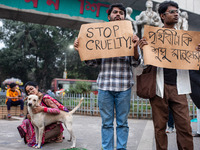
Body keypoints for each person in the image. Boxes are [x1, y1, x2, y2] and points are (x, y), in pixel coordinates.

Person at [74, 3, 140, 150]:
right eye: (115, 12)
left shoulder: (130, 36)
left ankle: (121, 148)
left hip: (124, 87)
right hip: (104, 86)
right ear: (109, 16)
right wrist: (81, 49)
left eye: (121, 13)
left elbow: (136, 62)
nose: (118, 14)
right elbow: (93, 62)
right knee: (106, 123)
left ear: (124, 16)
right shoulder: (100, 37)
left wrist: (135, 47)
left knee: (122, 122)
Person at [138, 1, 200, 149]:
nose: (176, 14)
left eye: (177, 11)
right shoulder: (153, 37)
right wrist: (144, 49)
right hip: (159, 87)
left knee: (185, 127)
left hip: (179, 88)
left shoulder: (186, 39)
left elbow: (193, 63)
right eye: (172, 12)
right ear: (162, 15)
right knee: (160, 128)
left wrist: (197, 52)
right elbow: (144, 63)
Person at [17, 81, 69, 147]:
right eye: (28, 91)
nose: (30, 92)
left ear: (37, 87)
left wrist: (43, 109)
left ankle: (58, 134)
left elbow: (57, 111)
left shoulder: (45, 98)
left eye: (31, 89)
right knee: (26, 122)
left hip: (53, 124)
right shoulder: (31, 101)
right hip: (41, 124)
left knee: (38, 139)